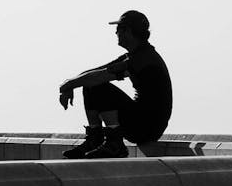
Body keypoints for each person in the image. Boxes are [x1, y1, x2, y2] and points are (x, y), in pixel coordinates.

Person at [57, 11, 173, 159]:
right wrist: (70, 84)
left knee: (97, 85)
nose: (116, 33)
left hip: (147, 127)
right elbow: (95, 72)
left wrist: (67, 86)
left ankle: (114, 143)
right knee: (90, 84)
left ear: (128, 31)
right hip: (143, 122)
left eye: (118, 29)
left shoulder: (142, 59)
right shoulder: (136, 55)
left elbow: (99, 77)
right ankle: (95, 138)